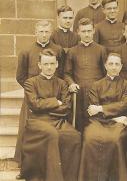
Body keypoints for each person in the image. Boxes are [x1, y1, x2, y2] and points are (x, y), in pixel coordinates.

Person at [20, 49, 81, 181]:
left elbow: (66, 107)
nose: (49, 67)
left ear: (57, 65)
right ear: (39, 65)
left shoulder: (62, 83)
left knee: (74, 136)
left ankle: (69, 177)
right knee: (51, 134)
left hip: (58, 121)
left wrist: (46, 107)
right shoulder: (30, 83)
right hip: (37, 122)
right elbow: (34, 105)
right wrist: (55, 102)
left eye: (52, 64)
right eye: (46, 64)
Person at [14, 20, 64, 170]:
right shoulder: (26, 51)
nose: (44, 35)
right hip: (32, 98)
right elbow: (20, 76)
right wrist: (33, 91)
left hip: (53, 95)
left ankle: (51, 166)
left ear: (51, 33)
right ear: (35, 32)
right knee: (26, 130)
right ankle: (25, 167)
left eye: (47, 32)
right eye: (41, 32)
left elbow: (60, 74)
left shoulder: (58, 50)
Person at [79, 53, 127, 181]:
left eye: (116, 64)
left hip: (118, 124)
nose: (113, 67)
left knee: (114, 139)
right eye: (111, 64)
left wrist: (101, 108)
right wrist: (114, 117)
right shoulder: (96, 85)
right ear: (105, 66)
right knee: (89, 138)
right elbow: (93, 110)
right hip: (99, 121)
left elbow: (124, 105)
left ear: (121, 67)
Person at [64, 18, 107, 132]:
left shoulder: (101, 50)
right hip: (79, 93)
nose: (86, 34)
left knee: (96, 124)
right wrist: (71, 84)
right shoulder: (72, 51)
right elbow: (67, 73)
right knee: (79, 124)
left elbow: (105, 73)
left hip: (97, 94)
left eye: (89, 31)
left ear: (93, 31)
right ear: (78, 32)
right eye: (83, 31)